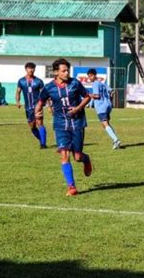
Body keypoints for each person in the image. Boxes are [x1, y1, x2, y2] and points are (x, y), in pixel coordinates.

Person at [35, 59, 93, 196]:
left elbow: (87, 97)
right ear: (56, 72)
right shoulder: (49, 87)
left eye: (68, 70)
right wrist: (37, 111)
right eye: (64, 71)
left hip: (77, 123)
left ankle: (86, 159)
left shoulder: (75, 83)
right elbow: (40, 101)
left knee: (77, 157)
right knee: (64, 154)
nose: (67, 73)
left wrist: (78, 108)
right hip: (60, 124)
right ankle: (71, 187)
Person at [15, 62, 47, 148]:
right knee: (32, 127)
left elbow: (44, 93)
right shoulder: (21, 81)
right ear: (26, 69)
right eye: (29, 68)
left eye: (33, 68)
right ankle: (41, 139)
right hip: (28, 107)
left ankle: (43, 144)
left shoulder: (39, 81)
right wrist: (17, 101)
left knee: (40, 123)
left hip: (38, 106)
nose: (31, 70)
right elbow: (18, 92)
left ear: (34, 69)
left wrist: (46, 104)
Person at [87, 69, 121, 149]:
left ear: (95, 75)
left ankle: (116, 139)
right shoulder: (102, 83)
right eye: (88, 76)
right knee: (107, 124)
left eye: (91, 76)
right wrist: (109, 100)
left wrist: (88, 95)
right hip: (108, 105)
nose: (90, 78)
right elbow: (112, 91)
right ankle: (115, 140)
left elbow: (97, 96)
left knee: (104, 124)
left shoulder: (95, 84)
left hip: (101, 107)